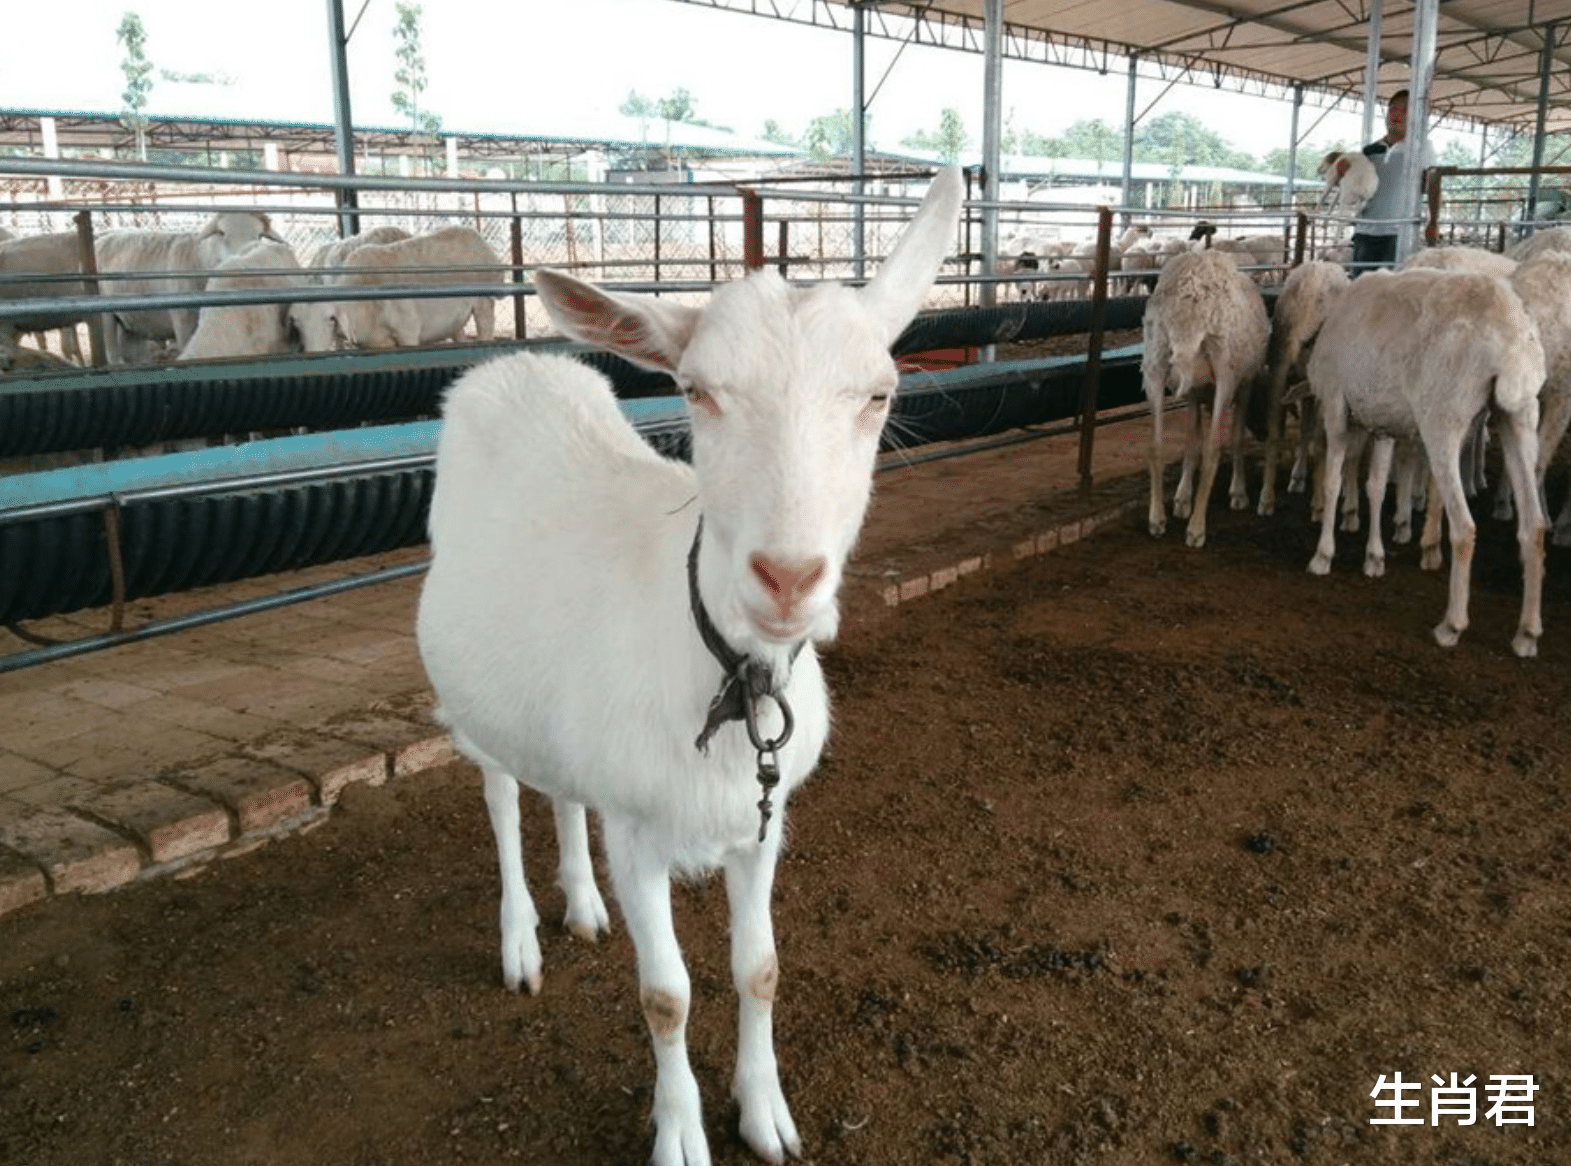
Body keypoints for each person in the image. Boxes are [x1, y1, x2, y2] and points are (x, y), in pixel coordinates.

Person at [1343, 89, 1438, 274]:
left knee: (1389, 291)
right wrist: (1344, 173)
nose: (1396, 114)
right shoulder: (1369, 151)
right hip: (1364, 231)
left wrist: (1433, 221)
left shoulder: (1422, 148)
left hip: (1397, 234)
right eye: (1393, 109)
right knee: (1359, 289)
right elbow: (1353, 189)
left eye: (1405, 110)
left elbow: (1433, 185)